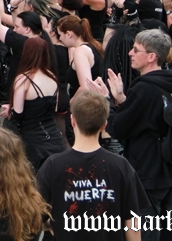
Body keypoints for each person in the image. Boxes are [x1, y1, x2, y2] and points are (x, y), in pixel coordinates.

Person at [98, 29, 172, 241]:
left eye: (136, 50)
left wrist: (108, 101)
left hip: (147, 168)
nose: (130, 53)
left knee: (146, 228)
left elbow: (118, 127)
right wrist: (121, 98)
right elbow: (148, 116)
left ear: (151, 57)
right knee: (171, 226)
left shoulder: (144, 89)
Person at [37, 91, 149, 241]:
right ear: (104, 125)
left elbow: (33, 218)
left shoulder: (53, 165)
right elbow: (133, 225)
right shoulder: (121, 166)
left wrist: (50, 224)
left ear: (72, 120)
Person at [0, 36, 66, 171]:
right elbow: (54, 108)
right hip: (54, 137)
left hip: (33, 141)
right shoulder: (53, 78)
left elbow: (18, 114)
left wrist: (10, 110)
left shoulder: (23, 79)